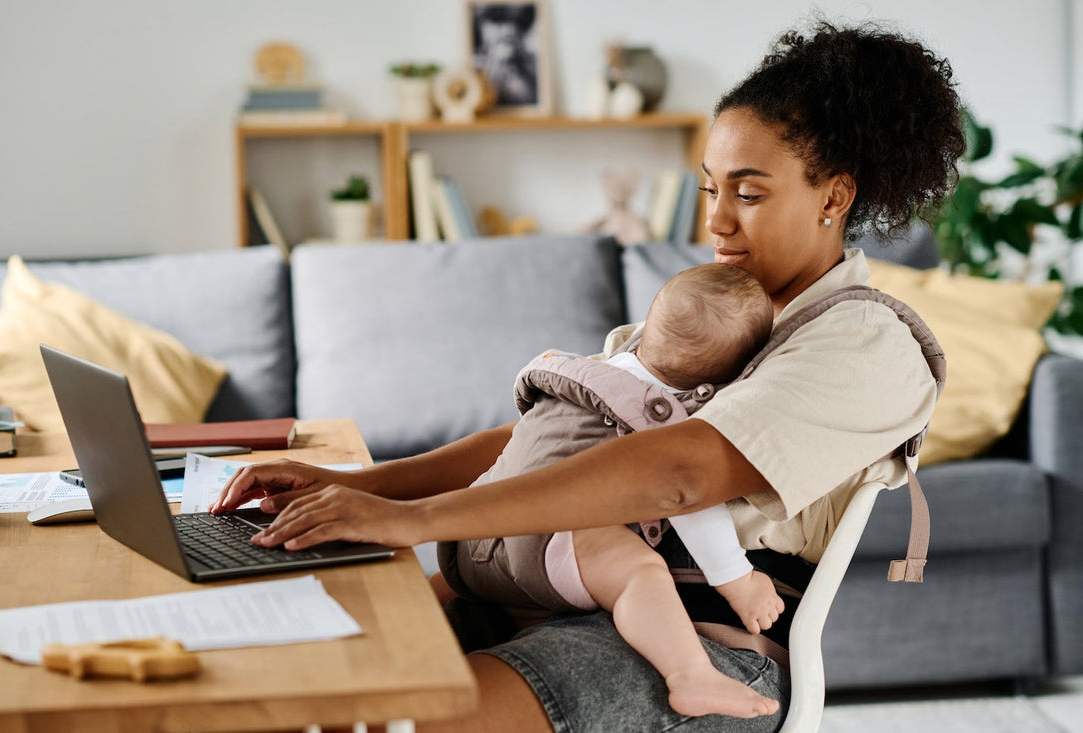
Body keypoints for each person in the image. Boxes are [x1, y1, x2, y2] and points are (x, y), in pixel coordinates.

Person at [212, 19, 965, 732]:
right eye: (710, 188)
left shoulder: (865, 342)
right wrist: (352, 485)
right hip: (558, 590)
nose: (716, 223)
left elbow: (675, 472)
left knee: (414, 716)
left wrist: (414, 522)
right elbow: (555, 439)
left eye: (749, 192)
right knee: (290, 663)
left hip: (705, 647)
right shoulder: (711, 307)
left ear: (834, 195)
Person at [434, 262, 781, 719]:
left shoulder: (579, 377)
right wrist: (739, 582)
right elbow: (688, 501)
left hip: (473, 539)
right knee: (640, 570)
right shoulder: (665, 420)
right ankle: (690, 675)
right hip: (549, 545)